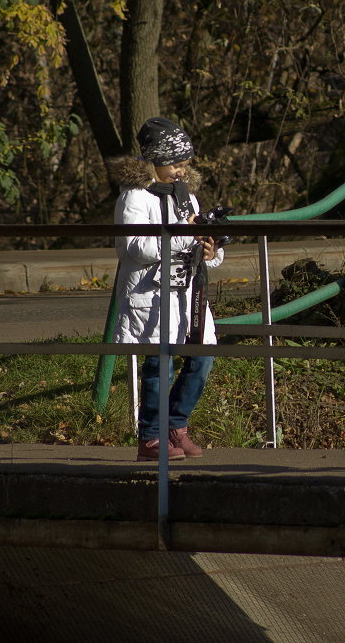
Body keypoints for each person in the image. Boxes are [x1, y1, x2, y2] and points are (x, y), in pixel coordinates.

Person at [108, 116, 225, 461]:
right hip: (151, 292)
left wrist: (211, 250)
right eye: (176, 163)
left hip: (188, 292)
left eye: (186, 163)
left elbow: (199, 242)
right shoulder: (133, 198)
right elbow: (133, 247)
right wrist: (181, 236)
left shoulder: (186, 197)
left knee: (202, 357)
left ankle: (177, 424)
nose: (182, 170)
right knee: (161, 364)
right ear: (155, 161)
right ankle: (150, 437)